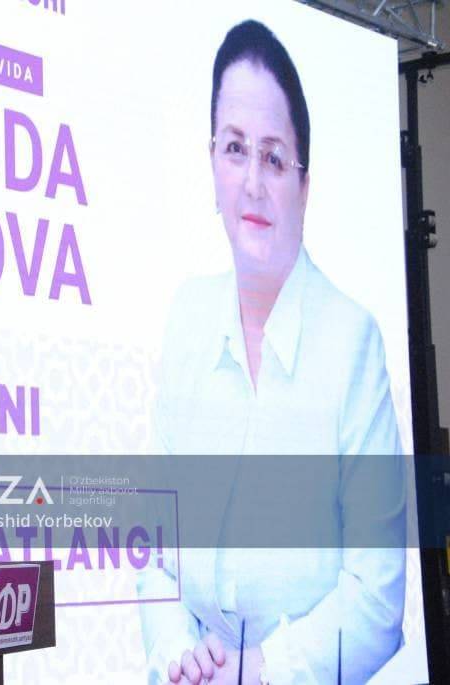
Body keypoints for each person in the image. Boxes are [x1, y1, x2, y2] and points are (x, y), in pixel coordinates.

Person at [140, 20, 406, 684]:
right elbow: (154, 554)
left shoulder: (351, 342)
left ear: (304, 186)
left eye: (275, 157)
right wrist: (179, 655)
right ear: (211, 161)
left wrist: (259, 670)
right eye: (235, 148)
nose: (253, 182)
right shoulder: (187, 318)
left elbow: (377, 598)